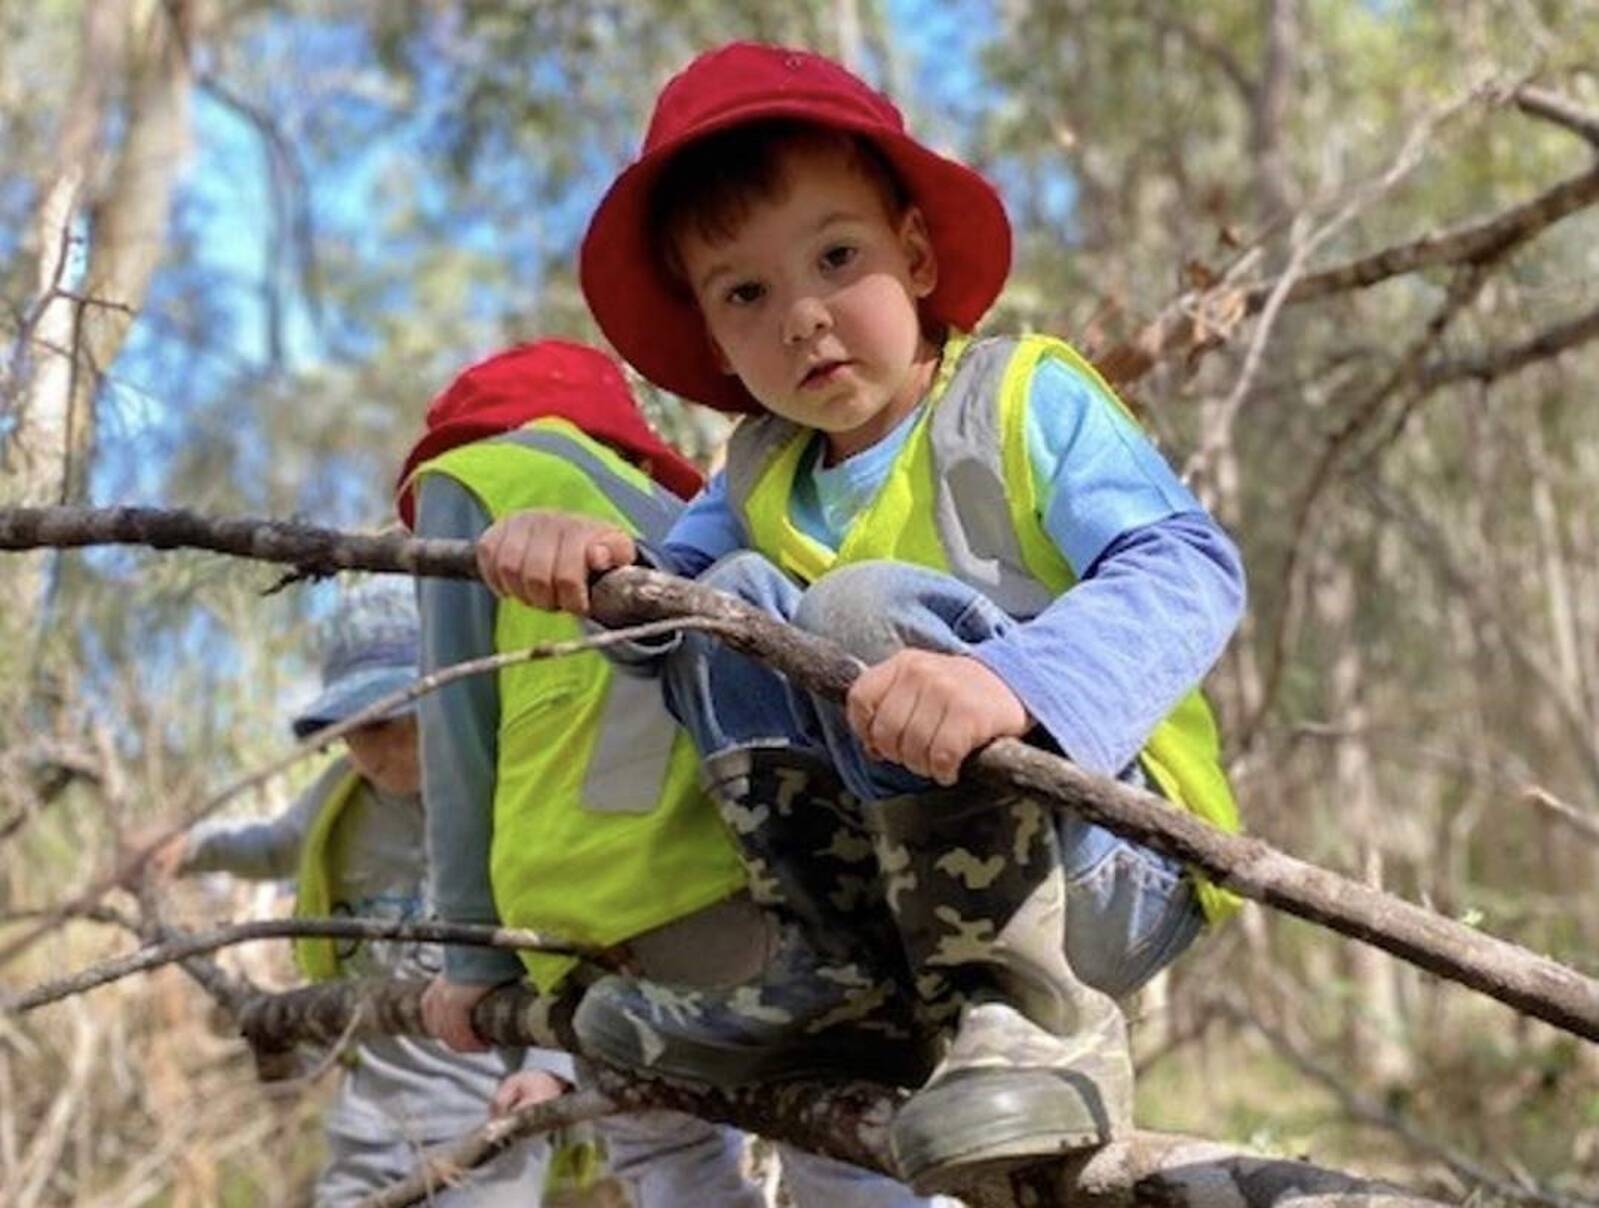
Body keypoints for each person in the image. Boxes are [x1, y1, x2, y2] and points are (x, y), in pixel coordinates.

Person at [476, 42, 1249, 1195]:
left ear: (918, 254)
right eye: (747, 292)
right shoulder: (754, 475)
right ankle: (833, 985)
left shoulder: (1024, 393)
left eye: (837, 257)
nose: (805, 318)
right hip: (893, 916)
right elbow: (657, 616)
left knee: (858, 605)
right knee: (724, 603)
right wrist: (585, 560)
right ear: (711, 332)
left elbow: (1190, 566)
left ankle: (1042, 1028)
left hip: (1106, 867)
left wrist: (1021, 684)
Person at [400, 340, 943, 1207]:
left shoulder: (470, 479)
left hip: (608, 905)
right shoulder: (686, 505)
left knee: (668, 1162)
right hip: (784, 887)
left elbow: (456, 726)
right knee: (842, 1148)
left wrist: (471, 952)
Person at [152, 579, 561, 1205]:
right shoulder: (338, 799)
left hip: (492, 1115)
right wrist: (192, 848)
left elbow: (566, 956)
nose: (373, 748)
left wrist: (549, 1072)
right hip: (370, 1118)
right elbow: (272, 845)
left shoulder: (507, 801)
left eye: (396, 720)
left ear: (449, 705)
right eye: (353, 727)